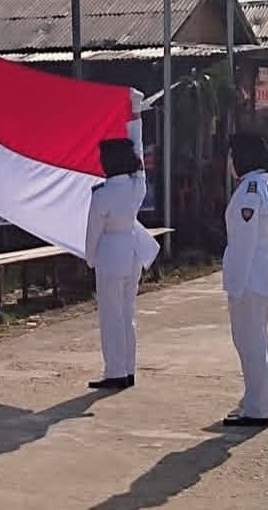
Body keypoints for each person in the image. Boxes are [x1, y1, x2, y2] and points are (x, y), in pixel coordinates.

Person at [222, 133, 268, 427]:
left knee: (249, 341)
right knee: (256, 339)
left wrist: (235, 283)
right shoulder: (264, 184)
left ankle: (258, 408)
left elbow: (244, 242)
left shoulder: (249, 189)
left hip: (250, 272)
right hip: (260, 268)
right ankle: (259, 401)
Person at [84, 138, 154, 390]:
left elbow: (93, 232)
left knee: (111, 315)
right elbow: (140, 169)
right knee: (127, 312)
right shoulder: (136, 187)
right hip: (133, 249)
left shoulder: (102, 195)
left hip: (110, 253)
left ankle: (115, 371)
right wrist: (135, 124)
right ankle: (128, 368)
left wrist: (89, 257)